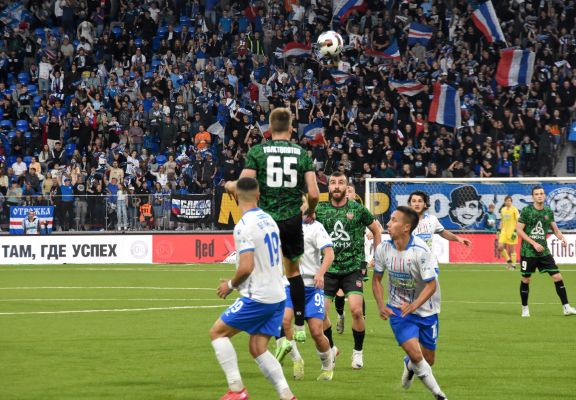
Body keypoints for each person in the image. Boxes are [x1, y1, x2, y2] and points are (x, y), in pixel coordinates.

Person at [225, 107, 320, 343]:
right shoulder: (302, 153)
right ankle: (299, 325)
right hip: (291, 219)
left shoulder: (258, 151)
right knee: (293, 272)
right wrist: (311, 210)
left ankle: (276, 332)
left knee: (267, 271)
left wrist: (228, 185)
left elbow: (244, 185)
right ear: (291, 128)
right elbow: (314, 193)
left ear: (269, 127)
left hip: (265, 221)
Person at [209, 177, 297, 400]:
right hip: (278, 295)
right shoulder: (268, 219)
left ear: (235, 197)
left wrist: (230, 285)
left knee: (217, 333)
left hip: (259, 297)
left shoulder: (243, 227)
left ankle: (236, 390)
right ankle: (287, 395)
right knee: (258, 347)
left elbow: (246, 267)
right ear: (258, 196)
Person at [372, 206, 447, 400]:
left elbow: (431, 285)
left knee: (428, 359)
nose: (388, 224)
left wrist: (414, 305)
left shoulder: (421, 251)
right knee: (417, 355)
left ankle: (409, 364)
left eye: (394, 220)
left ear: (406, 227)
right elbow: (376, 280)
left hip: (427, 309)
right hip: (398, 310)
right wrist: (381, 305)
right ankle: (439, 395)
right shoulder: (383, 249)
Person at [316, 171, 381, 370]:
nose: (336, 186)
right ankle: (332, 349)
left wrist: (377, 255)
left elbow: (376, 230)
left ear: (346, 186)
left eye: (341, 182)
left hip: (353, 268)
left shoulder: (358, 209)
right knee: (320, 314)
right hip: (328, 268)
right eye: (333, 182)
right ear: (328, 187)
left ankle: (358, 352)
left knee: (356, 310)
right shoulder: (319, 209)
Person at [275, 197, 335, 381]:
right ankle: (297, 359)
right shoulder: (285, 226)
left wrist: (321, 274)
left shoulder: (316, 228)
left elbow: (329, 254)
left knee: (316, 332)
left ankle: (327, 366)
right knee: (285, 321)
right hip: (289, 284)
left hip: (311, 287)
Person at [516, 186, 576, 318]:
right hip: (528, 251)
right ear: (533, 197)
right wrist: (534, 243)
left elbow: (555, 229)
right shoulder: (527, 211)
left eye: (541, 193)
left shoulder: (548, 211)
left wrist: (562, 238)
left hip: (543, 252)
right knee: (526, 279)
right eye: (536, 194)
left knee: (557, 277)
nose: (539, 196)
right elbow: (519, 230)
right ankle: (525, 308)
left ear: (544, 196)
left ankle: (566, 307)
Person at [409, 191, 472, 255]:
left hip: (428, 259)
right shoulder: (404, 221)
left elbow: (442, 232)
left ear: (425, 204)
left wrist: (458, 238)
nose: (417, 204)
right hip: (410, 258)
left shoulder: (432, 219)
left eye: (420, 201)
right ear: (410, 205)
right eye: (414, 201)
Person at [498, 195, 520, 270]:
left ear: (511, 202)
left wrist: (516, 231)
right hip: (504, 231)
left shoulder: (514, 209)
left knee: (511, 249)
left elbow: (518, 220)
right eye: (507, 201)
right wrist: (499, 230)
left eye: (510, 201)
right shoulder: (503, 210)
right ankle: (508, 260)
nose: (508, 202)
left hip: (512, 231)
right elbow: (502, 220)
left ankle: (513, 265)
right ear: (505, 202)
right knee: (500, 247)